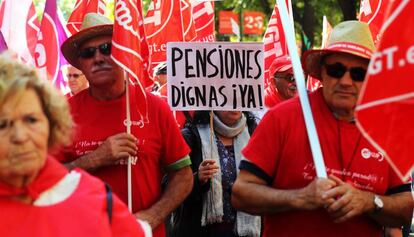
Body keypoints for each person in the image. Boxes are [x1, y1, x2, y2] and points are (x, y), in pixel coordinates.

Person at [231, 21, 414, 237]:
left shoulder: (387, 131)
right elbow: (241, 194)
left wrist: (368, 201)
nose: (346, 81)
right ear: (321, 73)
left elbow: (404, 209)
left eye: (358, 74)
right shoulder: (282, 118)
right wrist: (300, 197)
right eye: (336, 70)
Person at [59, 13, 193, 237]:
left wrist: (153, 216)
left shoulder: (154, 106)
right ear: (80, 63)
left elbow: (184, 175)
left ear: (123, 52)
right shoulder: (63, 113)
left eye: (107, 48)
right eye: (88, 53)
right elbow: (45, 180)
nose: (98, 57)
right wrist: (95, 158)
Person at [0, 53, 150, 236]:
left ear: (51, 124)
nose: (20, 136)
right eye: (2, 125)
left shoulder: (97, 199)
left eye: (31, 120)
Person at [171, 111, 260, 237]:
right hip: (203, 231)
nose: (234, 106)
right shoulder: (190, 136)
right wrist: (196, 179)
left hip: (247, 231)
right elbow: (168, 186)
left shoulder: (254, 132)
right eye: (227, 99)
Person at [151, 62, 193, 129]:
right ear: (155, 78)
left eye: (173, 70)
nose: (171, 74)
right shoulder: (150, 96)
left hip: (183, 134)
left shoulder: (188, 92)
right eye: (165, 71)